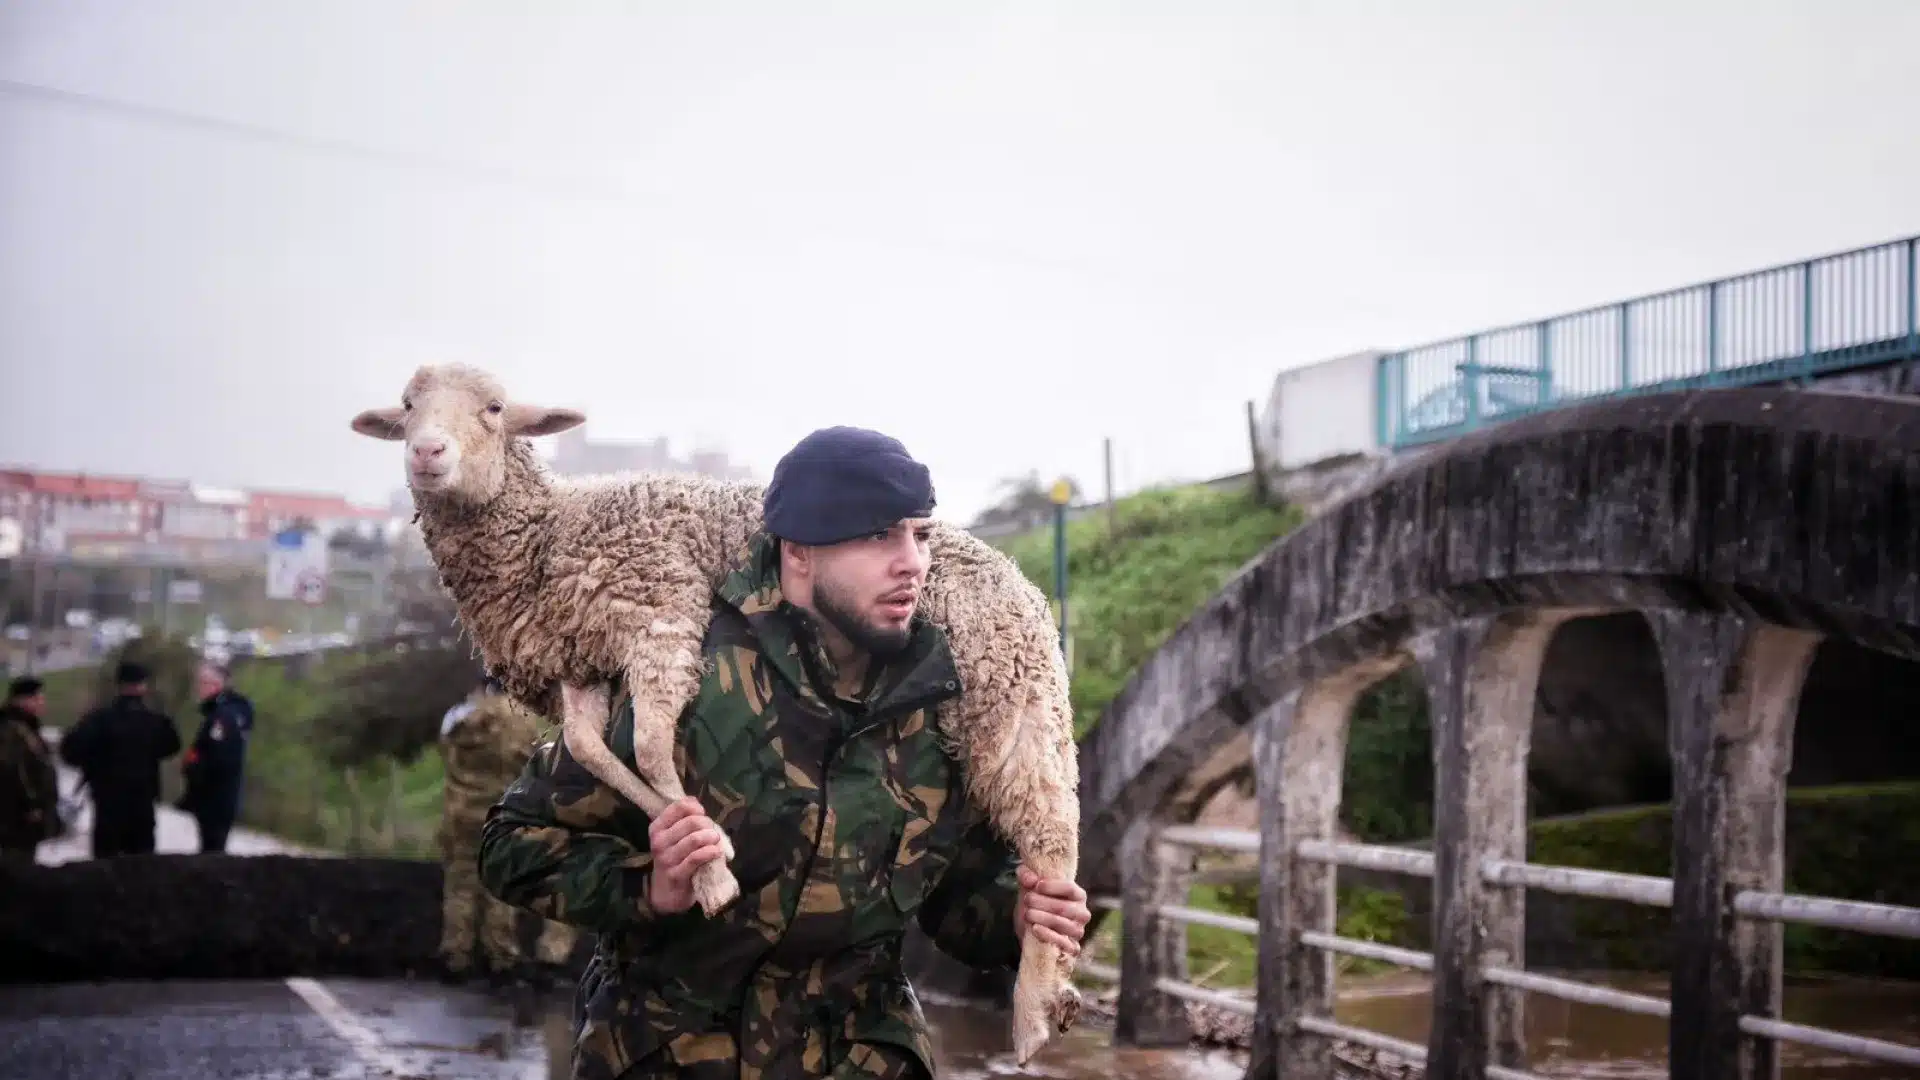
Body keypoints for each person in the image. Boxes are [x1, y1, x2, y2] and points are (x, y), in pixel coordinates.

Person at [478, 426, 1091, 1080]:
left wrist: (1016, 915)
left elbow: (958, 894)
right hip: (673, 1055)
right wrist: (648, 886)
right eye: (879, 536)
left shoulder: (944, 695)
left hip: (861, 1059)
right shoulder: (686, 676)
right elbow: (513, 843)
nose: (911, 561)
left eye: (922, 535)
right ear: (799, 553)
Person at [438, 679, 578, 984]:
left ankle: (456, 955)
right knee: (498, 885)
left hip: (460, 814)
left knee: (460, 882)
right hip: (501, 813)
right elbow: (539, 761)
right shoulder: (521, 718)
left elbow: (444, 749)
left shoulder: (460, 715)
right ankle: (500, 957)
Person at [58, 661, 182, 858]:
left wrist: (93, 763)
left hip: (107, 803)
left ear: (119, 685)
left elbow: (69, 750)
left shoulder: (98, 719)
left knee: (105, 865)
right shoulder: (156, 722)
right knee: (141, 864)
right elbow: (173, 746)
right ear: (143, 686)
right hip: (142, 802)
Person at [178, 661, 255, 853]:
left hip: (216, 799)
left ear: (216, 685)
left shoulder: (223, 717)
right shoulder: (230, 713)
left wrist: (194, 770)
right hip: (218, 798)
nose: (198, 688)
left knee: (212, 852)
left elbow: (218, 759)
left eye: (202, 683)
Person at [0, 675, 60, 863]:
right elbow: (15, 769)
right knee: (17, 867)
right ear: (21, 700)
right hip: (18, 817)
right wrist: (32, 804)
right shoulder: (12, 729)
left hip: (21, 815)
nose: (42, 703)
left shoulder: (25, 727)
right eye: (37, 698)